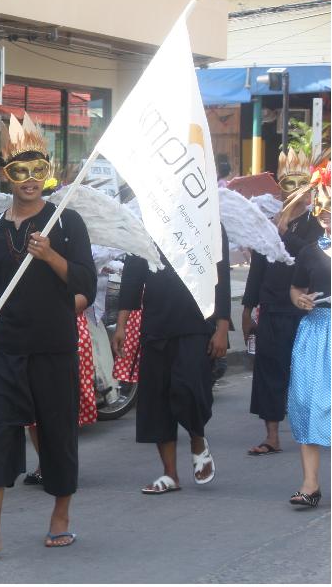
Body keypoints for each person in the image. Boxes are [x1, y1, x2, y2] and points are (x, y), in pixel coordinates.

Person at [0, 116, 95, 557]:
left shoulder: (65, 222)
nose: (30, 179)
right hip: (8, 350)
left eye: (37, 169)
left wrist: (50, 255)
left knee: (57, 434)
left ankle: (60, 517)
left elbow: (86, 285)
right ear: (4, 172)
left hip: (54, 347)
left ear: (48, 170)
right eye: (20, 170)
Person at [114, 227, 231, 495]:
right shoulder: (145, 221)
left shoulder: (206, 219)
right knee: (156, 401)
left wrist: (222, 327)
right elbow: (133, 273)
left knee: (189, 388)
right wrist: (121, 323)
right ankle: (170, 474)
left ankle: (197, 437)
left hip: (197, 323)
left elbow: (221, 274)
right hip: (156, 326)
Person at [241, 148, 323, 456]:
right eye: (288, 182)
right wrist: (248, 309)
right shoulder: (269, 223)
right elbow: (258, 270)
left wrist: (286, 235)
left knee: (310, 373)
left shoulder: (318, 225)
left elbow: (316, 259)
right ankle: (272, 435)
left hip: (307, 310)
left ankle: (317, 430)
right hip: (272, 307)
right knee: (269, 369)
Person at [286, 163, 330, 508]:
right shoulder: (310, 250)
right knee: (306, 404)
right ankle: (310, 484)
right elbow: (296, 288)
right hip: (315, 330)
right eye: (325, 206)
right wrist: (298, 299)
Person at [23, 293, 98, 485]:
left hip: (67, 335)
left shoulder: (69, 264)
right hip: (30, 335)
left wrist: (49, 308)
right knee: (32, 408)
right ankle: (46, 464)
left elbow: (83, 297)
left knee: (61, 408)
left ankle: (60, 465)